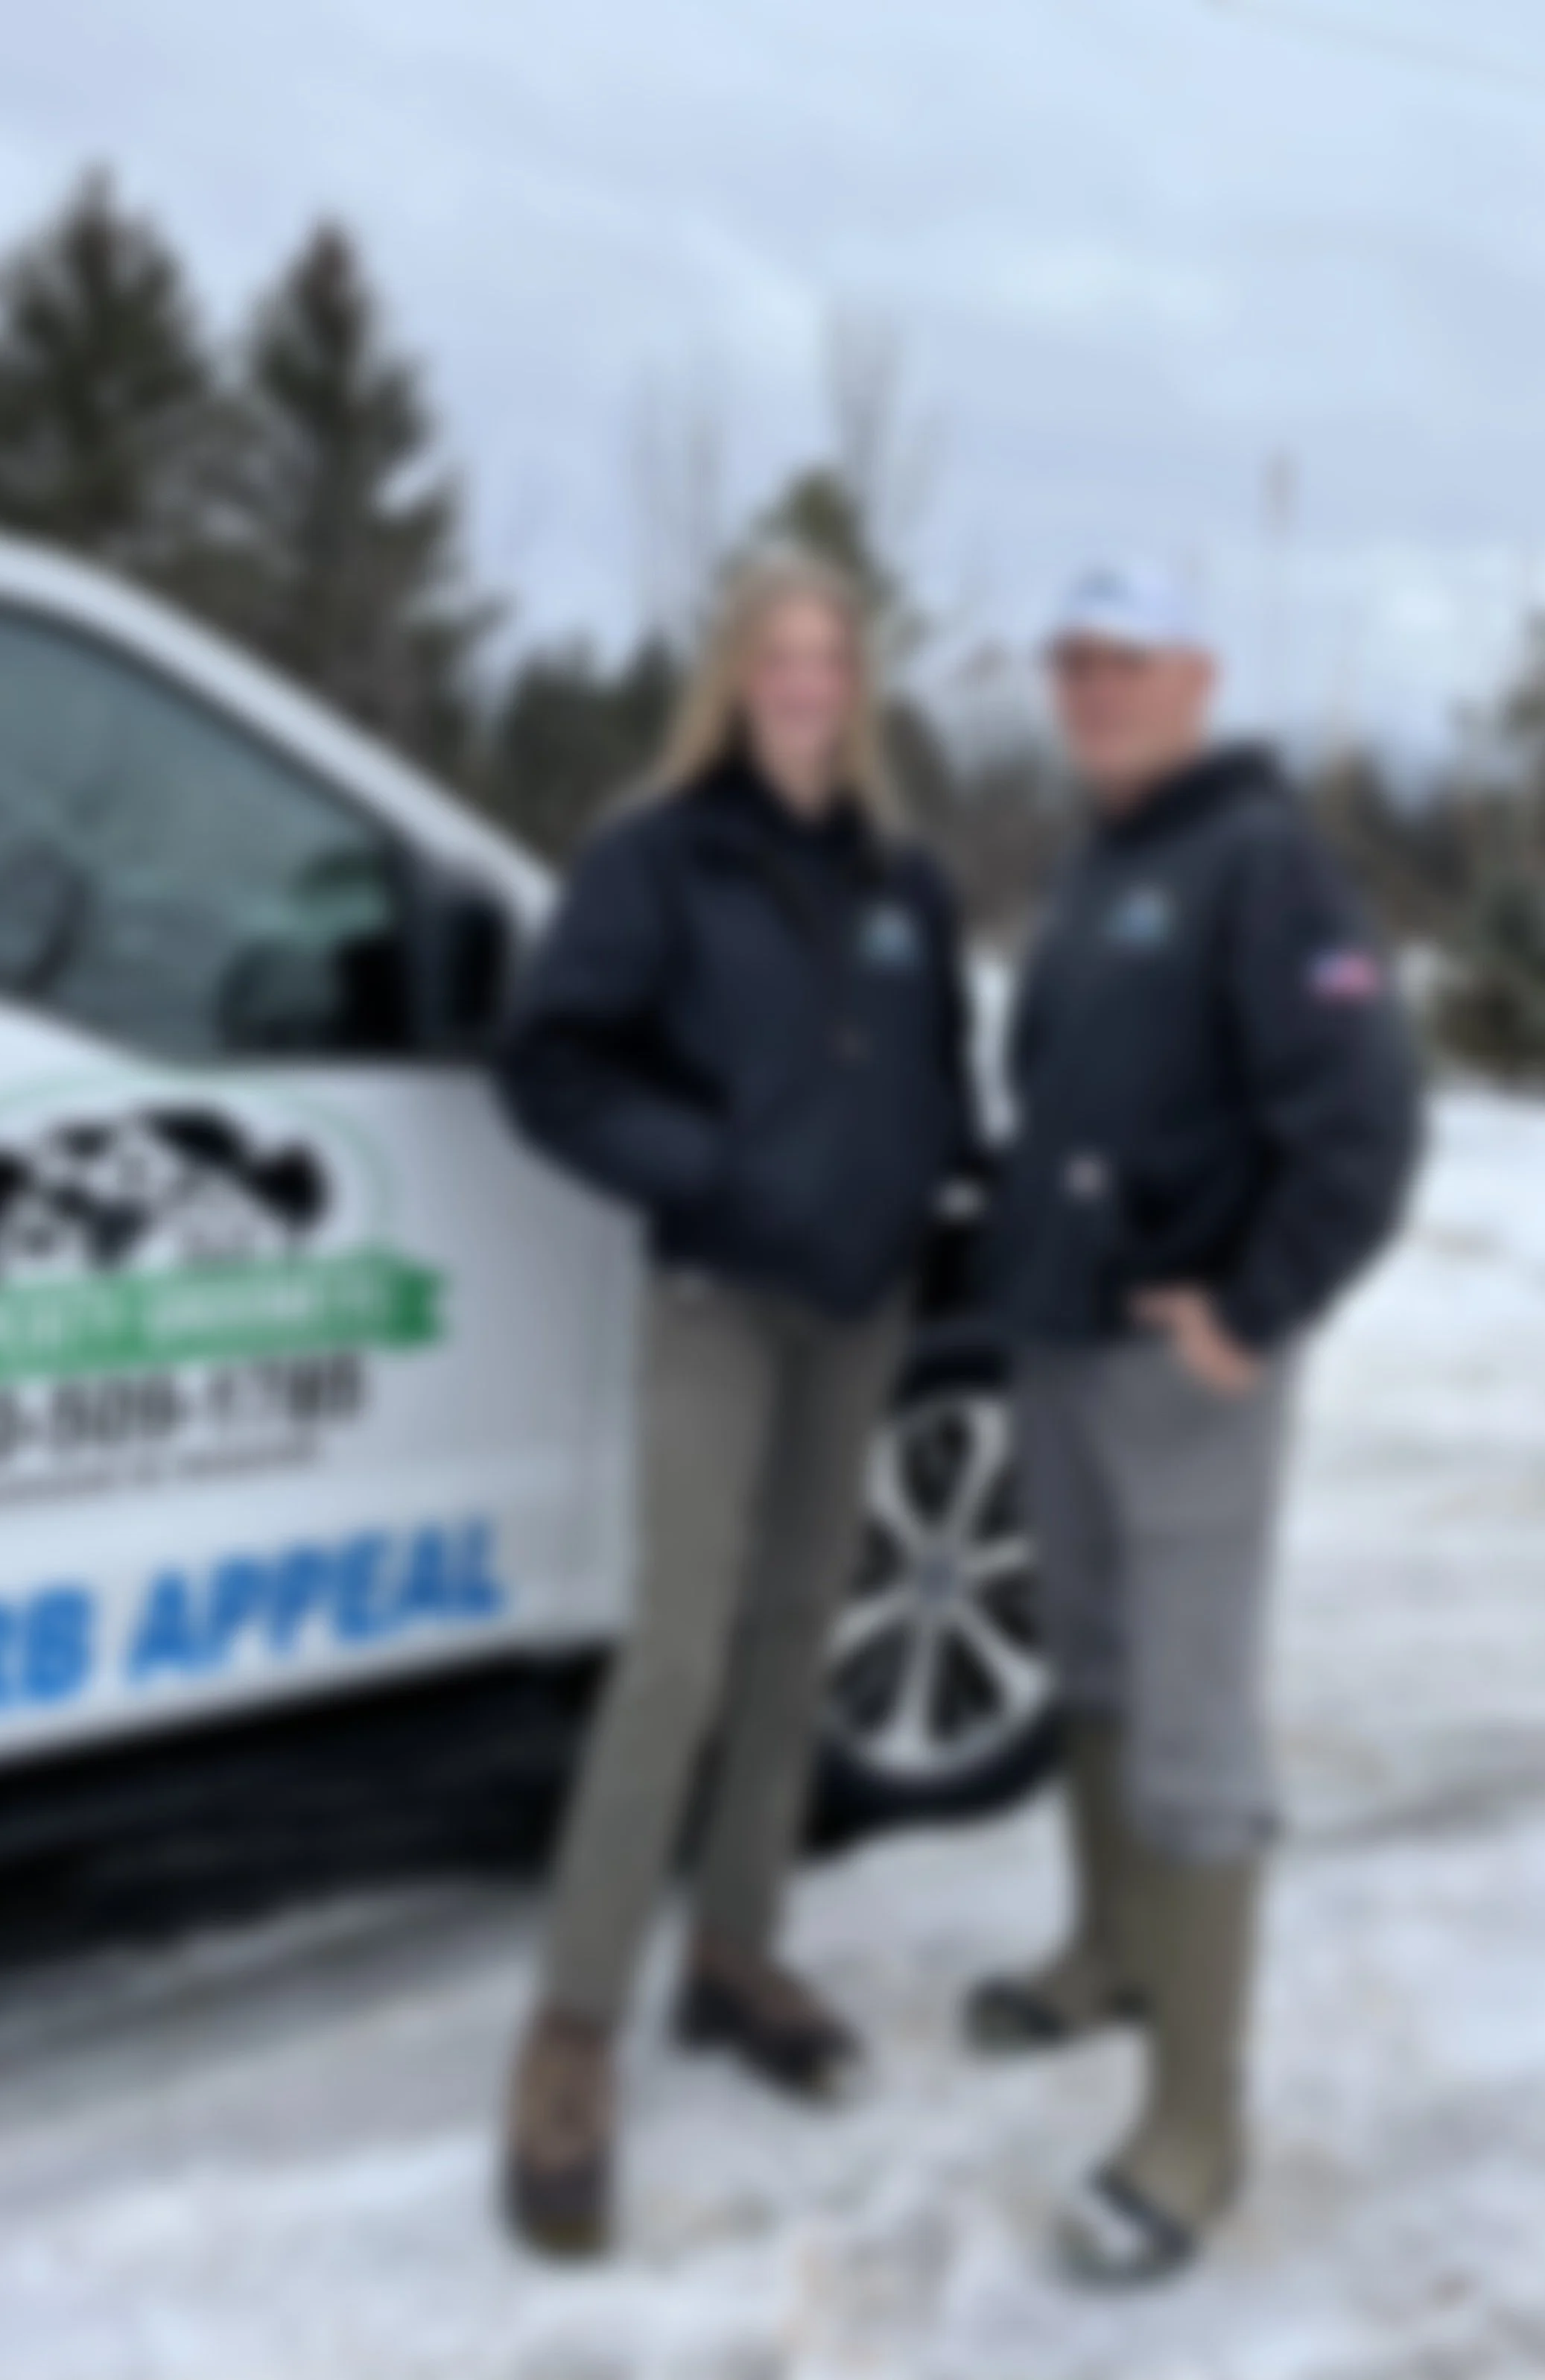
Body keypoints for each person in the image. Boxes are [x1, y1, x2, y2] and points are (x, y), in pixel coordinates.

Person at [494, 549, 979, 2259]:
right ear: (735, 674)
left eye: (830, 657)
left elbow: (934, 1076)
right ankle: (572, 2030)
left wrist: (936, 1182)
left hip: (859, 1304)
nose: (804, 683)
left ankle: (738, 1950)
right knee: (681, 1648)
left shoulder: (905, 877)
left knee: (797, 1628)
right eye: (776, 655)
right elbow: (549, 1060)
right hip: (717, 1294)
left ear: (859, 684)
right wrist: (710, 1169)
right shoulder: (656, 854)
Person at [974, 563, 1421, 2284]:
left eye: (1126, 662)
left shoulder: (1262, 861)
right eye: (1071, 660)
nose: (1093, 689)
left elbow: (1365, 1123)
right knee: (1088, 1662)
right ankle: (1111, 1949)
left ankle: (1196, 2126)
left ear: (1198, 677)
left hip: (1185, 1366)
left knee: (1191, 1710)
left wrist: (1255, 1306)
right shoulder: (1098, 862)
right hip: (1062, 1336)